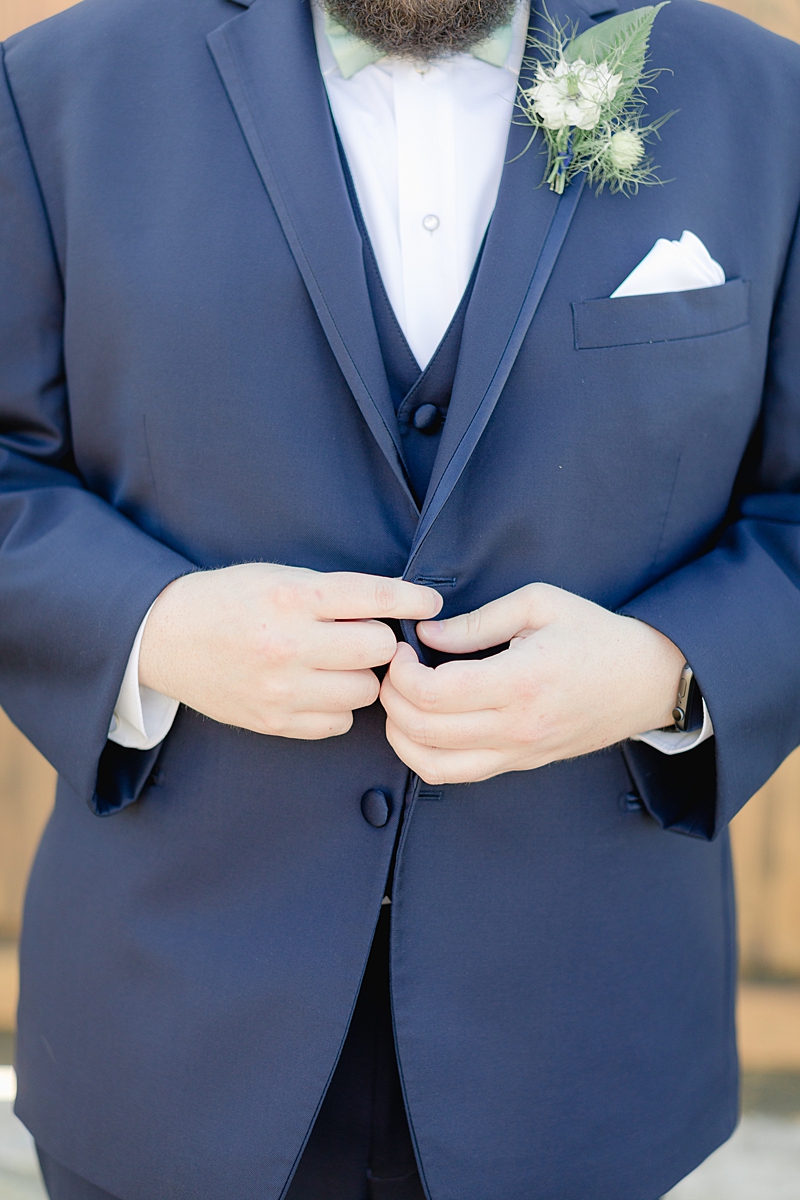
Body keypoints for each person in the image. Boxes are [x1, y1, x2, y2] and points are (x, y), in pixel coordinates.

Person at [1, 0, 800, 1193]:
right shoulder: (53, 87)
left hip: (580, 1054)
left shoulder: (765, 99)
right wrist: (152, 631)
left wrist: (663, 669)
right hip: (166, 1037)